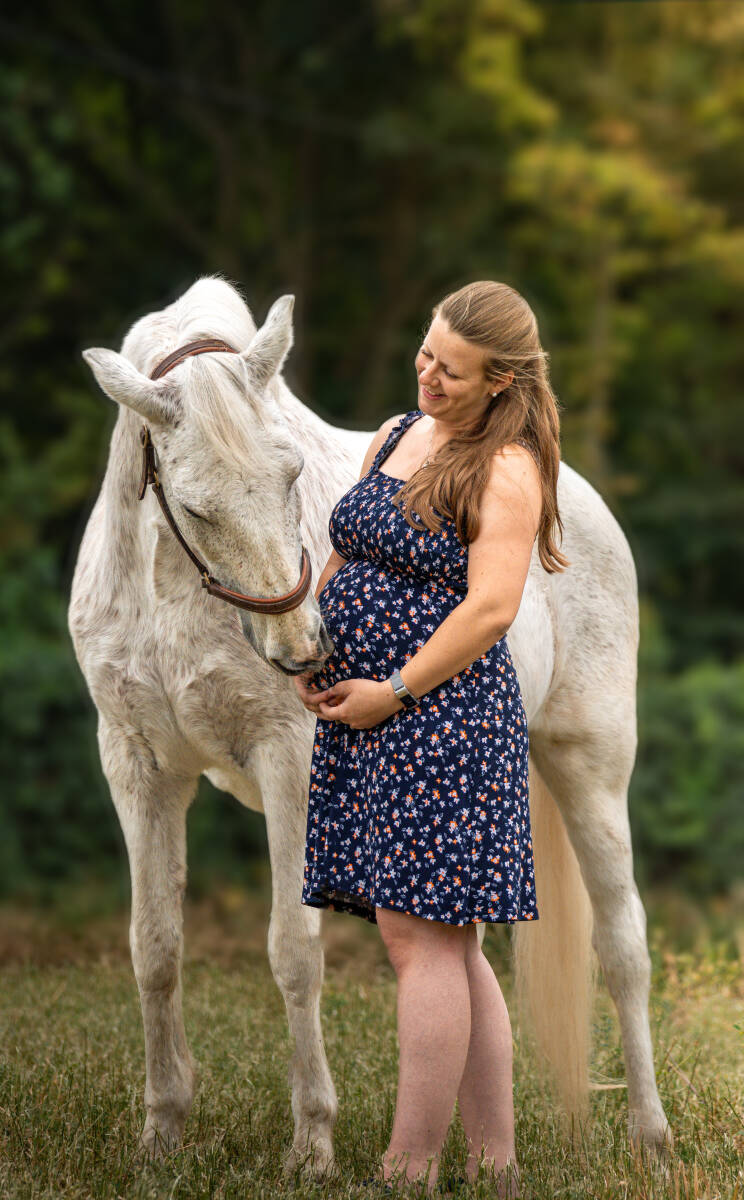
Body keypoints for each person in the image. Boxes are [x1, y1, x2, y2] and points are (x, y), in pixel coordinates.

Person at [293, 280, 569, 1198]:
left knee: (424, 944)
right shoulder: (392, 434)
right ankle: (498, 1168)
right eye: (425, 353)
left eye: (452, 371)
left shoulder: (509, 468)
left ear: (500, 382)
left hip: (439, 721)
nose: (429, 376)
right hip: (371, 712)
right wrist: (314, 647)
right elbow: (347, 549)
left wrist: (394, 690)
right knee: (452, 945)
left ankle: (408, 1168)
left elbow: (491, 608)